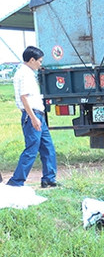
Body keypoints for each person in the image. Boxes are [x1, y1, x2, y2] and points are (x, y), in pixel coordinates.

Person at [7, 46, 58, 188]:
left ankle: (49, 178)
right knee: (31, 149)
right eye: (39, 61)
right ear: (31, 60)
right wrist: (33, 118)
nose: (40, 64)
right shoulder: (25, 74)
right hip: (33, 115)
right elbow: (24, 98)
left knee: (48, 147)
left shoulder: (27, 73)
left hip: (37, 115)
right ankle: (16, 182)